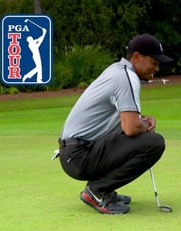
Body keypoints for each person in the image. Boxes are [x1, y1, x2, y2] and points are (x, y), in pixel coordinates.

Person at [55, 33, 173, 214]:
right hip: (79, 155)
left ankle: (105, 190)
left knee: (142, 136)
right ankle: (98, 191)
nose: (157, 68)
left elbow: (127, 121)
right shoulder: (127, 77)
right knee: (154, 142)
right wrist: (146, 126)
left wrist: (142, 121)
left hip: (75, 152)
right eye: (154, 62)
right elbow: (131, 128)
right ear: (136, 57)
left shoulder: (117, 70)